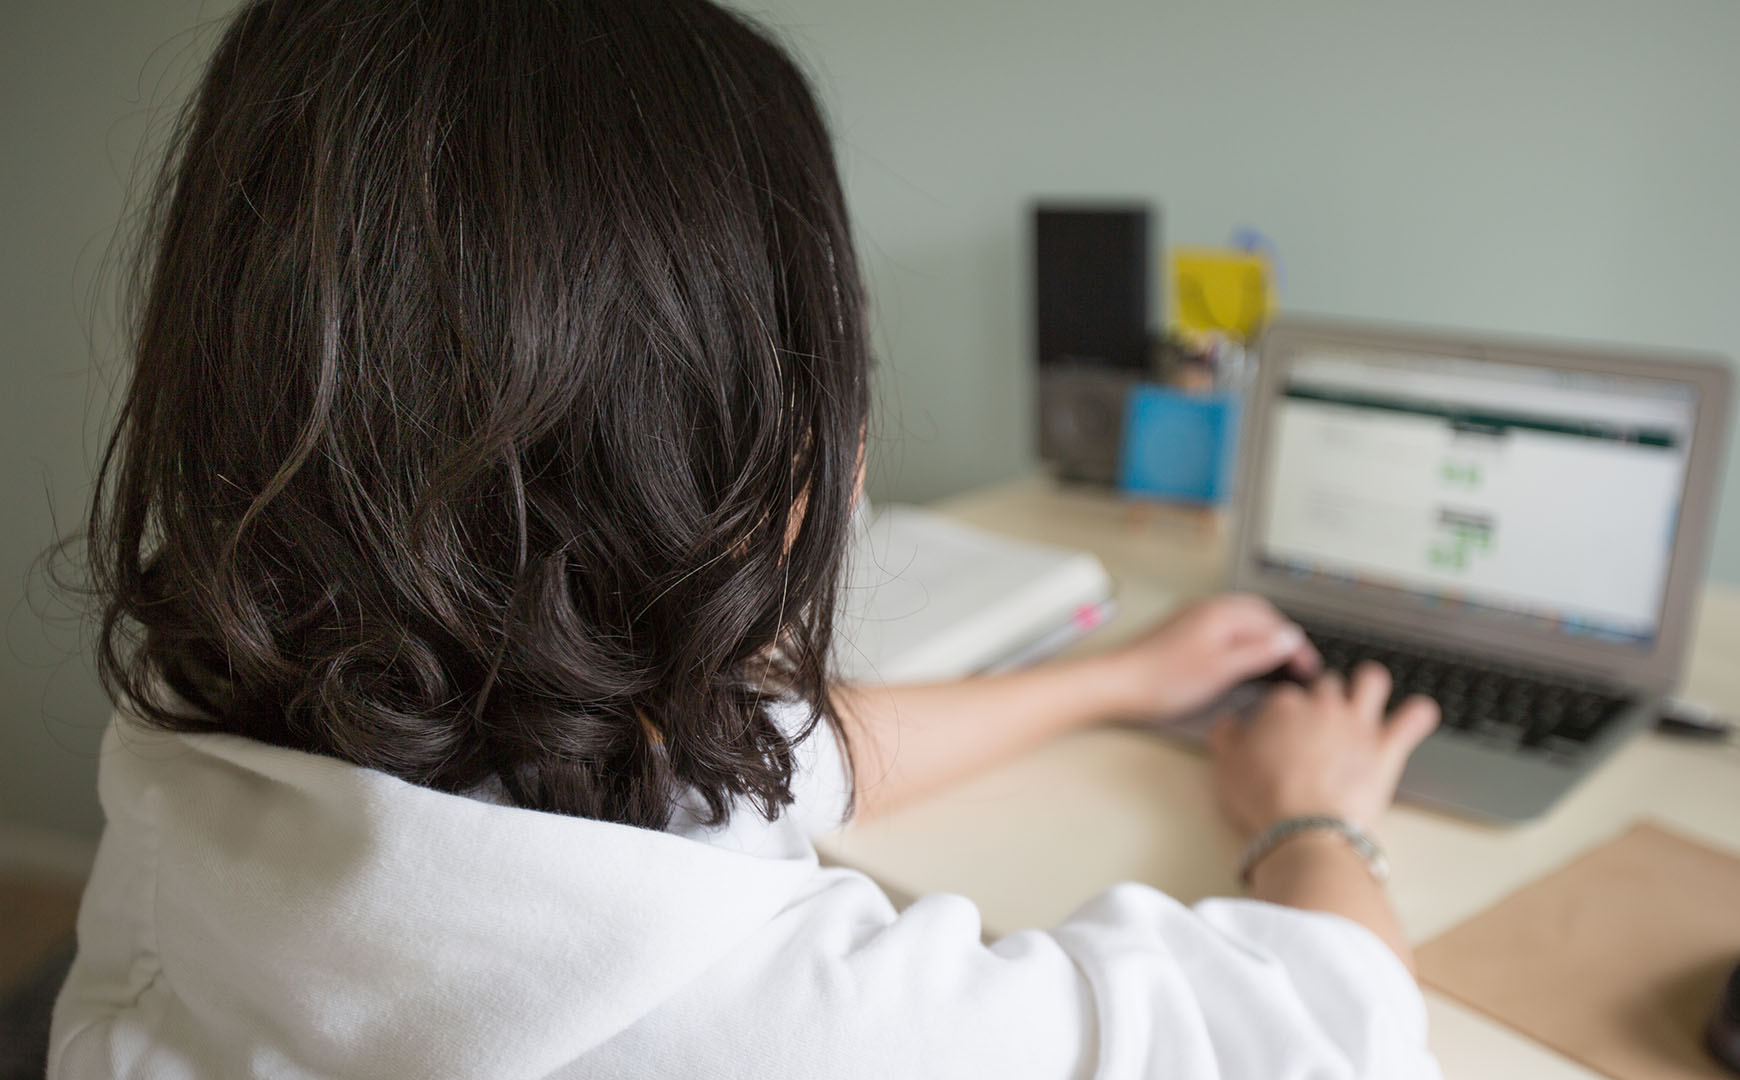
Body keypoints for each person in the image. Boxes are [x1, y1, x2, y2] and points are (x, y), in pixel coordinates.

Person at [52, 1, 1443, 1076]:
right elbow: (1339, 1032)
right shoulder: (772, 1019)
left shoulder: (209, 772)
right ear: (763, 455)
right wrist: (1316, 814)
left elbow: (779, 758)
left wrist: (1113, 682)